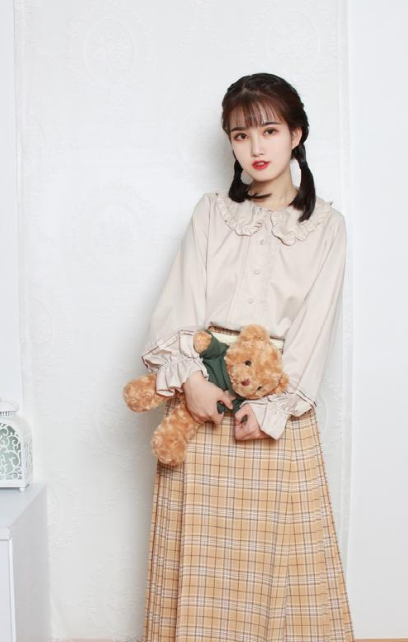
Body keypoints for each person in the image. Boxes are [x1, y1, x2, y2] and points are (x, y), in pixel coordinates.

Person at [140, 72, 355, 641]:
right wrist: (190, 383)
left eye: (269, 130)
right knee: (200, 568)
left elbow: (315, 329)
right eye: (240, 135)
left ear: (296, 134)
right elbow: (180, 302)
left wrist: (272, 409)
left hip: (274, 408)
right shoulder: (212, 213)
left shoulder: (326, 228)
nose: (255, 147)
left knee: (284, 571)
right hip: (202, 402)